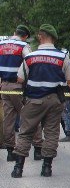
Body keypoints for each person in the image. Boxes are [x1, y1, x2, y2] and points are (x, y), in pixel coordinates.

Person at [10, 24, 70, 178]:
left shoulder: (30, 57)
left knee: (25, 132)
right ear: (53, 38)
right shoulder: (62, 56)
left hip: (33, 100)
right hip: (54, 100)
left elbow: (20, 78)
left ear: (40, 36)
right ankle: (47, 168)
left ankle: (18, 169)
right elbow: (69, 79)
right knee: (51, 133)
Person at [1, 25, 43, 161]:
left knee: (8, 119)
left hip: (4, 86)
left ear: (14, 33)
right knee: (31, 116)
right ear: (25, 36)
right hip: (18, 87)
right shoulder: (23, 46)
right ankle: (37, 149)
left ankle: (9, 151)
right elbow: (31, 63)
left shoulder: (1, 44)